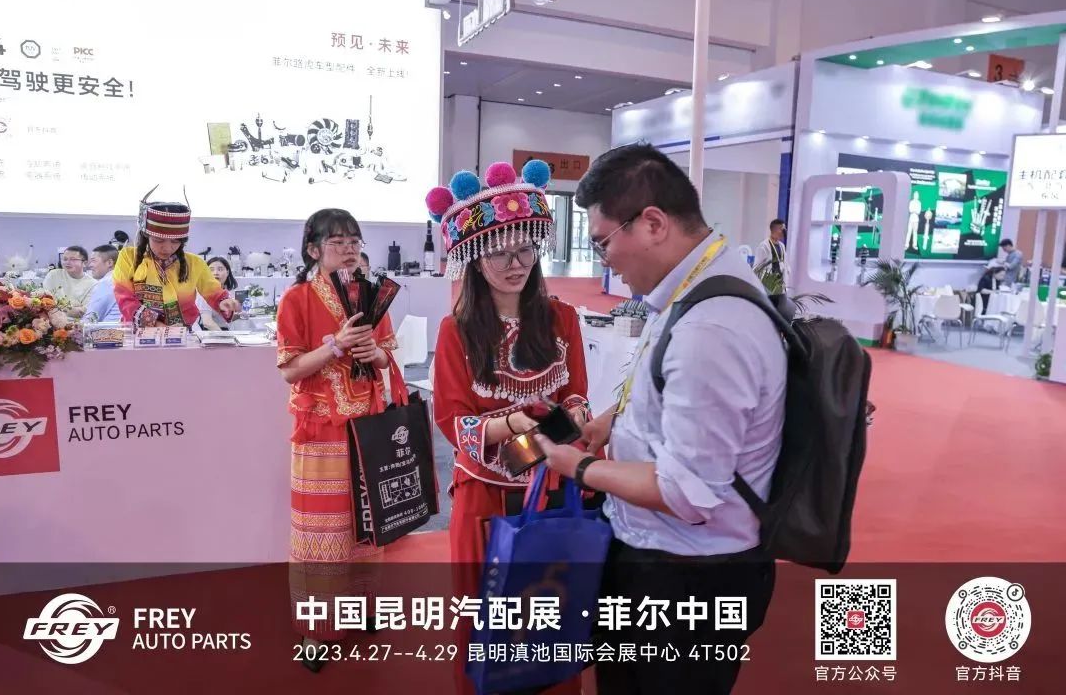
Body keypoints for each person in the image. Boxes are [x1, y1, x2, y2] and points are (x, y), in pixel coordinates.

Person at [533, 144, 785, 695]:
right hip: (664, 558)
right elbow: (666, 388)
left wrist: (577, 466)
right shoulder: (692, 290)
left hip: (686, 576)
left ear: (652, 223)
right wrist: (609, 423)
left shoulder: (710, 326)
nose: (604, 260)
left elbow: (686, 492)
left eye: (603, 241)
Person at [428, 160, 590, 695]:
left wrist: (565, 422)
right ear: (475, 258)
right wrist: (517, 422)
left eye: (525, 249)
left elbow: (577, 398)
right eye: (499, 251)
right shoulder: (456, 330)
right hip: (485, 494)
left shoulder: (563, 318)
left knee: (551, 608)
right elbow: (453, 421)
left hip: (552, 483)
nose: (515, 263)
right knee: (483, 613)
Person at [275, 208, 398, 673]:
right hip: (321, 428)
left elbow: (388, 358)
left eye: (354, 241)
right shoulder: (297, 298)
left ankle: (363, 606)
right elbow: (289, 370)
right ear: (313, 249)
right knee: (321, 531)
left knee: (367, 525)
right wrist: (336, 346)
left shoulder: (372, 294)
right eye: (338, 242)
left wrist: (376, 352)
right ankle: (317, 628)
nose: (349, 250)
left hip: (367, 424)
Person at [113, 188, 241, 328]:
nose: (167, 248)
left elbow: (213, 291)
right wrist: (156, 324)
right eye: (159, 240)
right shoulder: (128, 257)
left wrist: (223, 302)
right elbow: (125, 298)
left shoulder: (194, 263)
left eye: (175, 241)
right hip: (137, 333)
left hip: (181, 332)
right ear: (146, 236)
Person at [43, 245, 96, 317]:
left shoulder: (93, 284)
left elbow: (84, 311)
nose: (67, 262)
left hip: (76, 322)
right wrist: (72, 308)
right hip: (49, 319)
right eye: (65, 259)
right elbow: (44, 301)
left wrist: (55, 307)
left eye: (73, 259)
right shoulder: (53, 275)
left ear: (84, 263)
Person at [198, 256, 240, 330]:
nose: (215, 273)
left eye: (220, 269)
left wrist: (240, 315)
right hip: (211, 333)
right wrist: (223, 335)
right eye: (211, 270)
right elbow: (207, 322)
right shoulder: (205, 294)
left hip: (225, 331)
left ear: (227, 272)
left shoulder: (226, 293)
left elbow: (224, 319)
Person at [83, 245, 122, 322]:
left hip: (109, 329)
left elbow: (91, 318)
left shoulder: (107, 282)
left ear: (109, 263)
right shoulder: (121, 279)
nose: (90, 265)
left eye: (93, 261)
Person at [753, 218, 789, 288]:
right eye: (782, 229)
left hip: (780, 284)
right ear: (775, 230)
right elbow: (757, 267)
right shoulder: (764, 246)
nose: (784, 232)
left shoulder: (782, 246)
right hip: (767, 284)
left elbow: (785, 264)